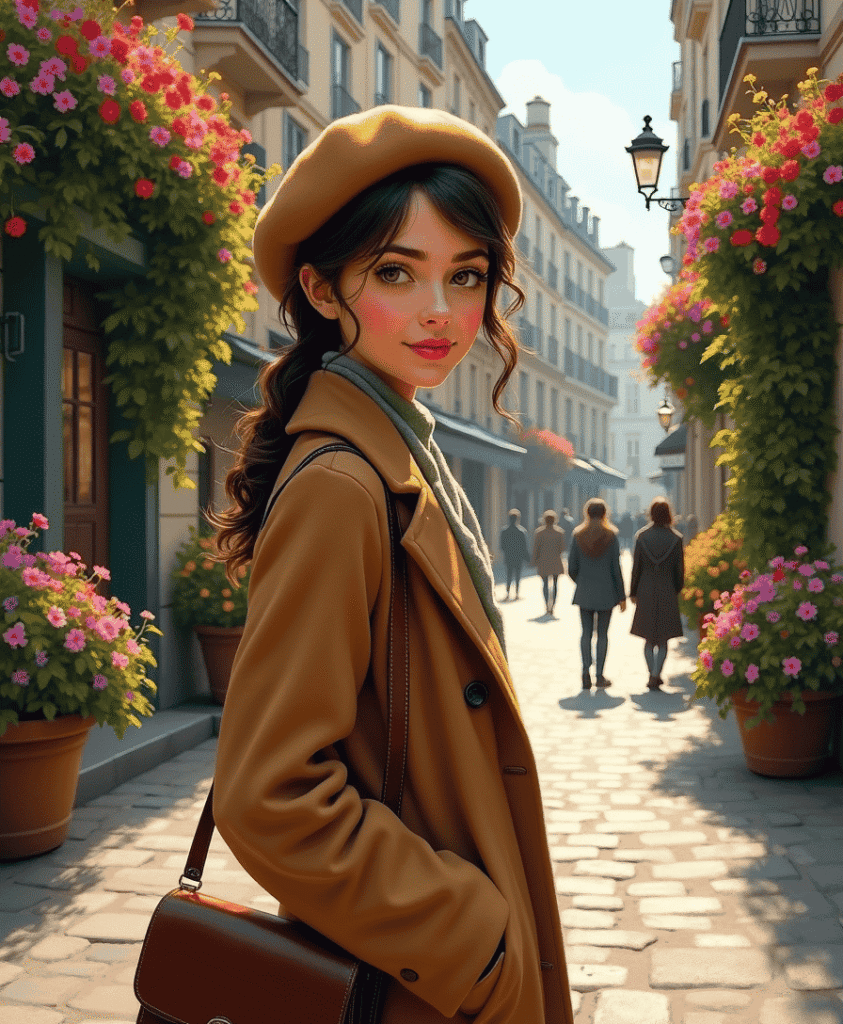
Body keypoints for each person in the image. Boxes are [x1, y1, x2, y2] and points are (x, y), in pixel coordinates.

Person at [205, 106, 575, 1024]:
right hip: (417, 979)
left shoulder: (406, 449)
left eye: (466, 276)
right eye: (396, 273)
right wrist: (470, 939)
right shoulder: (344, 480)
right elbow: (269, 792)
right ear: (323, 289)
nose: (440, 312)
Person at [567, 498, 626, 689]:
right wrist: (621, 595)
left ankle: (585, 673)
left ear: (587, 513)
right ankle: (599, 676)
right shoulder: (611, 536)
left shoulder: (578, 535)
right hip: (607, 592)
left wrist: (582, 581)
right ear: (604, 514)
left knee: (585, 633)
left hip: (584, 592)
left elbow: (572, 568)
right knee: (602, 635)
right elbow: (616, 569)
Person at [629, 496, 685, 689]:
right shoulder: (676, 538)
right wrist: (677, 588)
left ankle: (651, 673)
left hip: (645, 588)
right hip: (667, 589)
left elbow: (636, 567)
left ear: (651, 514)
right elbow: (680, 570)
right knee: (663, 637)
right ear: (668, 514)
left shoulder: (641, 536)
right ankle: (656, 674)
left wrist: (633, 592)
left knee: (648, 636)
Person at [531, 509, 566, 615]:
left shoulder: (539, 533)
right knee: (555, 584)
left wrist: (534, 561)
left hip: (544, 561)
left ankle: (547, 605)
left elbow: (536, 548)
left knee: (545, 584)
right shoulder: (559, 532)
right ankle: (553, 605)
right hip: (556, 561)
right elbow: (562, 548)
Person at [499, 508, 529, 600]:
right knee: (517, 575)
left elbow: (502, 546)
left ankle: (508, 593)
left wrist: (507, 551)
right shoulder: (521, 531)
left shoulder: (504, 531)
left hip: (509, 556)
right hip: (518, 557)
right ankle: (516, 593)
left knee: (509, 575)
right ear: (517, 519)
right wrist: (526, 557)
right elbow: (524, 546)